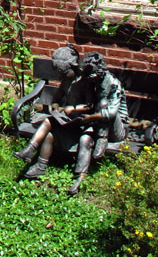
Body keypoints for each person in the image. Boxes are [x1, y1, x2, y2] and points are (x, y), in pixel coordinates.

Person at [14, 44, 92, 181]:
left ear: (73, 67)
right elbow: (56, 98)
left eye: (64, 73)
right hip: (66, 120)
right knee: (49, 135)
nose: (62, 76)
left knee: (48, 121)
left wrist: (73, 109)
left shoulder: (84, 83)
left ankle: (30, 149)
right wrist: (54, 106)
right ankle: (40, 167)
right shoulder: (67, 81)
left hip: (80, 122)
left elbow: (90, 106)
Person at [66, 51, 128, 195]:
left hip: (117, 129)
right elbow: (88, 104)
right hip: (96, 122)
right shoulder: (92, 82)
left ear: (100, 69)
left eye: (92, 74)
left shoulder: (113, 83)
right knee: (85, 139)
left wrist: (89, 118)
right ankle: (79, 178)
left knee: (103, 102)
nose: (90, 78)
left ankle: (102, 138)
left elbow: (112, 113)